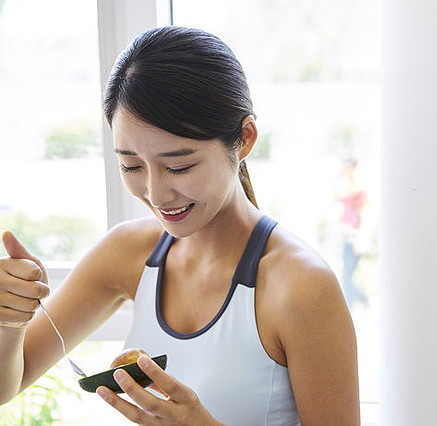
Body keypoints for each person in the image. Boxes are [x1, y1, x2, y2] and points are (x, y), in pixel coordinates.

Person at [0, 26, 359, 425]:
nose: (156, 193)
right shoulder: (127, 252)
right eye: (131, 165)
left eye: (179, 166)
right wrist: (9, 322)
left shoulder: (299, 286)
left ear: (244, 139)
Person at [335, 157, 369, 309]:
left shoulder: (359, 188)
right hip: (347, 236)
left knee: (347, 276)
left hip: (355, 237)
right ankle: (359, 302)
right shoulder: (349, 186)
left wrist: (361, 237)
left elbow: (365, 213)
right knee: (346, 276)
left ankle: (359, 302)